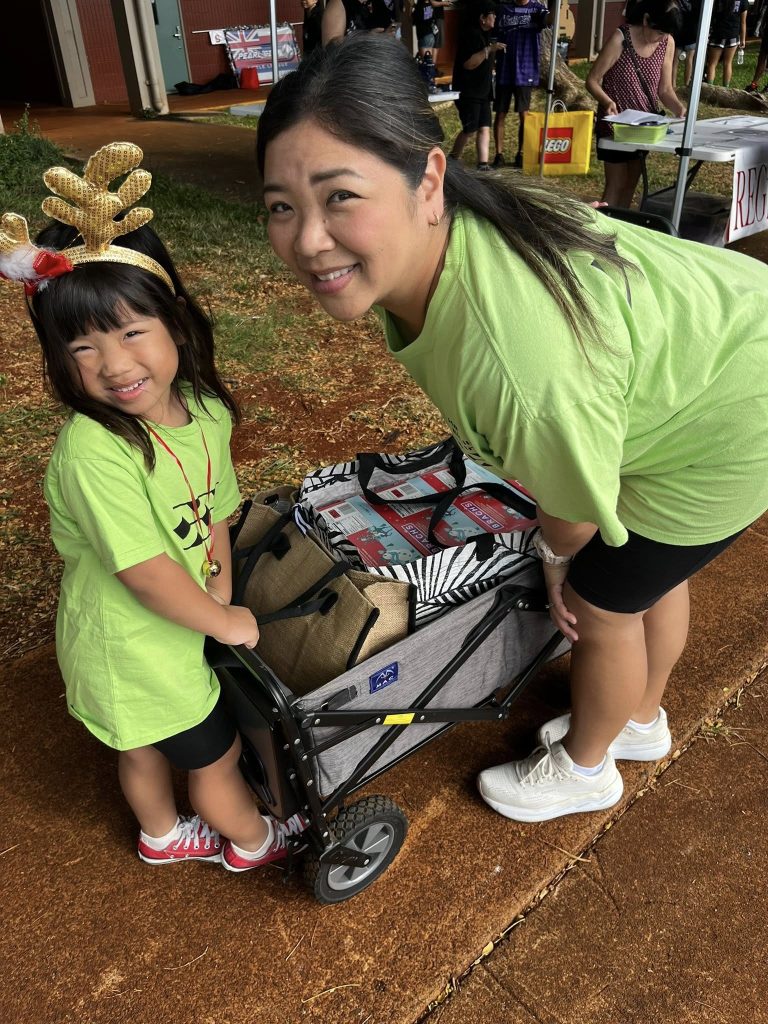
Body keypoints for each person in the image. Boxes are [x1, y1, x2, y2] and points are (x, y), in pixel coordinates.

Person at [254, 34, 768, 823]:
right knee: (648, 573)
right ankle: (637, 717)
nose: (308, 240)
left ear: (429, 179)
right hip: (712, 355)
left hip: (736, 412)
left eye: (341, 196)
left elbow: (570, 508)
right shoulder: (466, 232)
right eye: (281, 207)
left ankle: (588, 767)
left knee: (601, 602)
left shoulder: (517, 364)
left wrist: (559, 559)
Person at [0, 144, 305, 870]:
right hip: (131, 647)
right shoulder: (94, 452)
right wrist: (222, 621)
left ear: (175, 322)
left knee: (141, 746)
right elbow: (143, 573)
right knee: (213, 758)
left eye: (132, 331)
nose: (114, 364)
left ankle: (160, 834)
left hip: (168, 629)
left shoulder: (204, 412)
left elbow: (216, 511)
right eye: (82, 347)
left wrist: (218, 585)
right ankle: (252, 842)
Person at [586, 0, 686, 208]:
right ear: (646, 20)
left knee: (630, 184)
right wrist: (606, 101)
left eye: (666, 34)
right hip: (616, 127)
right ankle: (604, 223)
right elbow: (592, 80)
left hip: (644, 129)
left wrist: (679, 107)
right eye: (659, 32)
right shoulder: (620, 38)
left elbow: (665, 89)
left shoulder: (667, 42)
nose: (661, 38)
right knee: (616, 184)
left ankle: (620, 224)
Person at [492, 0, 550, 169]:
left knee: (524, 114)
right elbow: (494, 33)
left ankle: (521, 153)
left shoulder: (537, 9)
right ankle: (499, 155)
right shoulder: (503, 8)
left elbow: (548, 20)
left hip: (526, 70)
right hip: (504, 69)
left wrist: (556, 6)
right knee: (500, 113)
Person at [450, 1, 507, 172]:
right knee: (470, 129)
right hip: (469, 91)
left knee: (485, 127)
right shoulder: (471, 35)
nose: (495, 17)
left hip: (484, 91)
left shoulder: (487, 35)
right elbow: (468, 64)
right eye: (492, 15)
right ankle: (452, 160)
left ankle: (483, 165)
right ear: (482, 18)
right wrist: (488, 50)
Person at [705, 0, 748, 86]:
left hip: (717, 33)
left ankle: (709, 88)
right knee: (728, 63)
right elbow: (743, 22)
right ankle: (726, 88)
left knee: (712, 64)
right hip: (733, 34)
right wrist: (743, 39)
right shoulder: (743, 1)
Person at [322, 0, 397, 43]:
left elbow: (392, 25)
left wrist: (392, 30)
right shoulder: (337, 3)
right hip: (353, 65)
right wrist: (366, 39)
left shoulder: (378, 3)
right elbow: (330, 47)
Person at [673, 0, 701, 86]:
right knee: (689, 60)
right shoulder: (698, 2)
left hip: (679, 30)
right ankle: (687, 84)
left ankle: (673, 85)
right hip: (692, 32)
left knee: (675, 61)